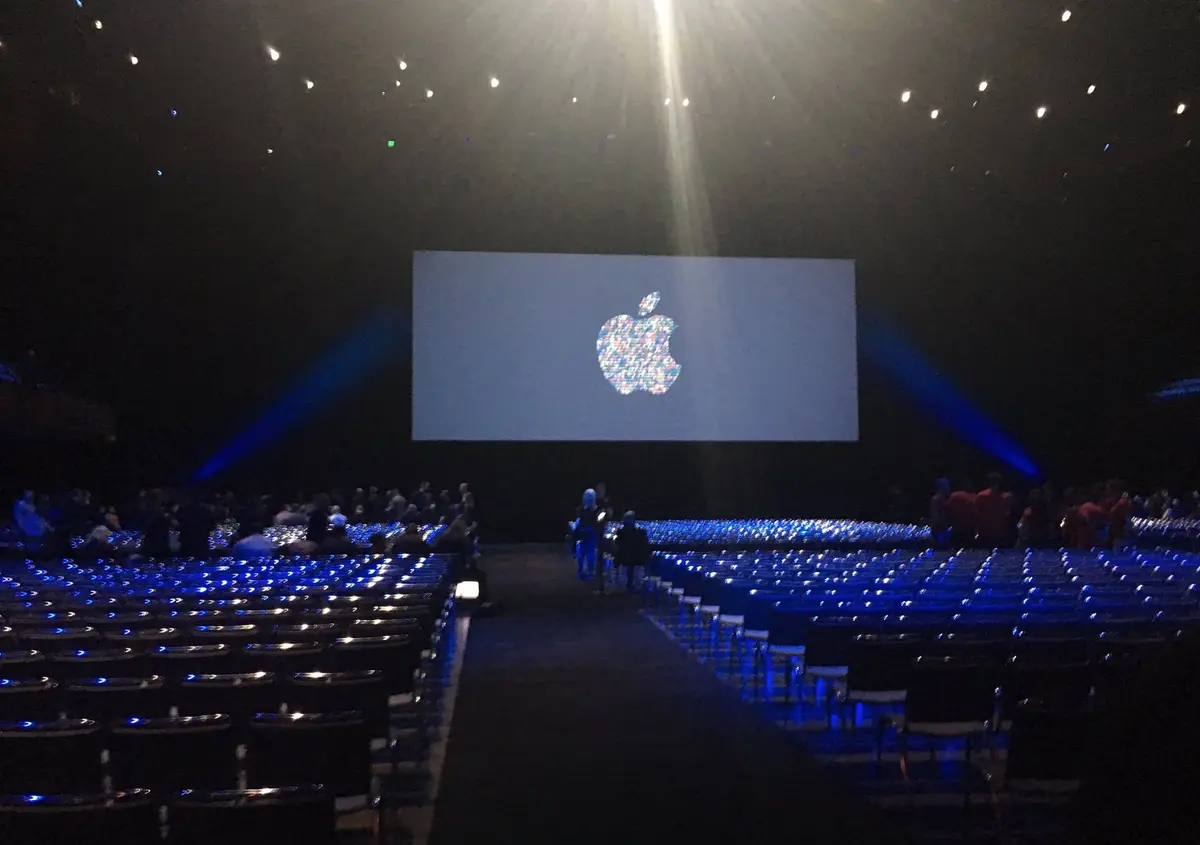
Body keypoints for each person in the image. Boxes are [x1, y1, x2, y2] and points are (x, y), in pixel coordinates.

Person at [573, 488, 605, 588]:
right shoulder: (581, 509)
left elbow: (598, 523)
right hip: (583, 534)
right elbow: (578, 521)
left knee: (590, 552)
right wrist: (574, 526)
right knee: (581, 552)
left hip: (591, 535)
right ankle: (582, 572)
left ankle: (590, 572)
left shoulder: (597, 510)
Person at [613, 511, 650, 592]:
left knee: (630, 568)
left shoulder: (622, 532)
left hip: (630, 555)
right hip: (633, 556)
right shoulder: (639, 532)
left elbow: (617, 543)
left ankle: (630, 585)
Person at [974, 472, 1014, 547]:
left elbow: (976, 515)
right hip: (994, 534)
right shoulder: (1007, 496)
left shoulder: (981, 496)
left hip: (992, 534)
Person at [945, 479, 978, 548]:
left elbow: (947, 510)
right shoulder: (974, 496)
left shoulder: (954, 495)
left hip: (957, 529)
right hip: (969, 529)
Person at [929, 478, 951, 545]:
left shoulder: (945, 498)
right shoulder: (936, 499)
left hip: (943, 527)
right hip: (939, 528)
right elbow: (935, 514)